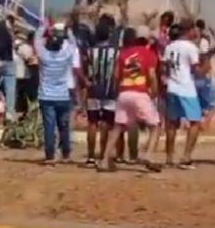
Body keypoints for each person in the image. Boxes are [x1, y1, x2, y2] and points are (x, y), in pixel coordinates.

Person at [111, 26, 159, 172]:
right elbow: (151, 76)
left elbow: (116, 75)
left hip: (124, 92)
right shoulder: (149, 54)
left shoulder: (124, 53)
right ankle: (149, 156)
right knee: (155, 126)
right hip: (140, 92)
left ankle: (105, 159)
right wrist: (154, 92)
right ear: (147, 39)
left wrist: (120, 89)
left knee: (118, 126)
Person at [35, 22, 82, 165]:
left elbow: (36, 40)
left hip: (46, 96)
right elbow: (73, 43)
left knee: (49, 127)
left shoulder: (43, 56)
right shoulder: (65, 56)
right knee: (64, 126)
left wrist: (44, 26)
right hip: (63, 95)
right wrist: (68, 31)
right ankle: (66, 153)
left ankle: (50, 155)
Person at [163, 22, 203, 168]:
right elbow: (196, 69)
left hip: (172, 86)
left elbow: (166, 67)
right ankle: (186, 156)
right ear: (189, 30)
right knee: (195, 122)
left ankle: (169, 157)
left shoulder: (170, 46)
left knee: (172, 123)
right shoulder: (190, 47)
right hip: (186, 88)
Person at [83, 17, 120, 167]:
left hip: (93, 89)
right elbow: (117, 72)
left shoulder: (90, 51)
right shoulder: (116, 51)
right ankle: (103, 154)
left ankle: (91, 156)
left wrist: (87, 81)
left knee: (92, 123)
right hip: (110, 90)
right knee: (106, 123)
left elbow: (85, 69)